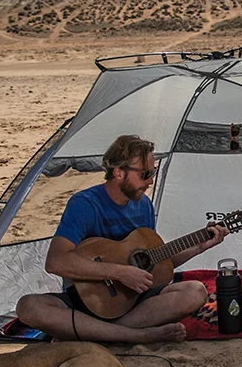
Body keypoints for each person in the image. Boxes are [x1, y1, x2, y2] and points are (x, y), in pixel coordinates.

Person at [16, 134, 228, 344]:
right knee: (29, 307)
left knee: (195, 291)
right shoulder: (84, 205)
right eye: (145, 174)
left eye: (153, 172)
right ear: (118, 173)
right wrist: (120, 273)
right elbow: (56, 261)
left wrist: (199, 247)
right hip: (86, 301)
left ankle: (98, 332)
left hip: (132, 302)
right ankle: (136, 335)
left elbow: (155, 262)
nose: (151, 180)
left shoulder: (143, 205)